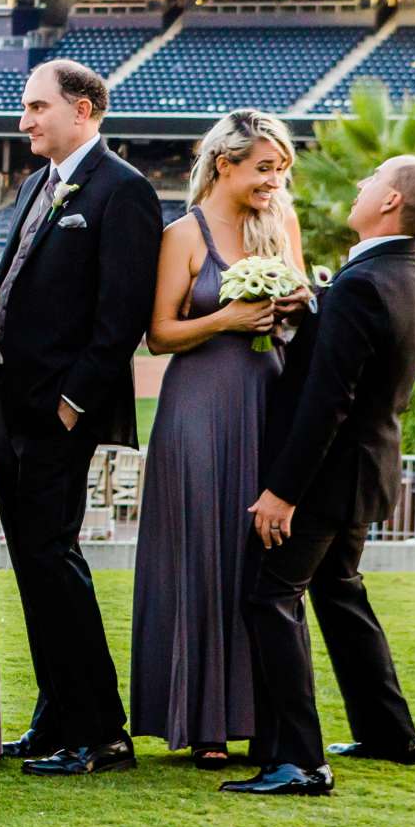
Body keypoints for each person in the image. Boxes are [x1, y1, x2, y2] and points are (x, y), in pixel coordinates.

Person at [227, 156, 415, 797]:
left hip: (324, 479)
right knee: (341, 593)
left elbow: (330, 400)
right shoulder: (404, 273)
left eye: (370, 180)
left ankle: (300, 760)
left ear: (391, 201)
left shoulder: (363, 283)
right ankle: (390, 734)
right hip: (367, 472)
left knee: (270, 596)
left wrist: (281, 492)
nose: (359, 185)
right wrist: (314, 305)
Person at [0, 59, 163, 777]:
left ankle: (102, 732)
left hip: (56, 415)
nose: (25, 121)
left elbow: (119, 316)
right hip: (8, 408)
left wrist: (69, 404)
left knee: (55, 560)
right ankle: (56, 715)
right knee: (32, 566)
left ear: (83, 110)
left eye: (37, 107)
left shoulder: (125, 191)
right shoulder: (36, 184)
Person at [131, 111, 307, 766]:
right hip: (198, 405)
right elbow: (160, 334)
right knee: (201, 549)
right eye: (265, 168)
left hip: (267, 399)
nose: (274, 181)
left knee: (260, 557)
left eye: (281, 170)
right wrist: (229, 318)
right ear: (225, 164)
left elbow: (300, 310)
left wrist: (290, 309)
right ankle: (204, 723)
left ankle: (264, 717)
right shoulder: (183, 234)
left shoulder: (279, 225)